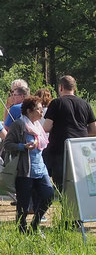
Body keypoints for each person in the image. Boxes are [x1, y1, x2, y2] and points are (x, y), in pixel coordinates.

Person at [3, 96, 54, 233]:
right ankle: (22, 231)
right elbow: (7, 145)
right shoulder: (19, 125)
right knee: (23, 206)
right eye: (39, 109)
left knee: (49, 195)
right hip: (24, 171)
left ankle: (35, 225)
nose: (42, 112)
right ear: (30, 111)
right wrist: (22, 146)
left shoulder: (37, 126)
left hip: (40, 168)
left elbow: (42, 144)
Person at [43, 75, 96, 191]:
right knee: (80, 181)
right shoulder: (85, 104)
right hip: (81, 148)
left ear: (61, 87)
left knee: (62, 183)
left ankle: (64, 205)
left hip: (60, 149)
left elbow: (46, 127)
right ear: (75, 88)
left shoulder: (56, 103)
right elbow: (94, 129)